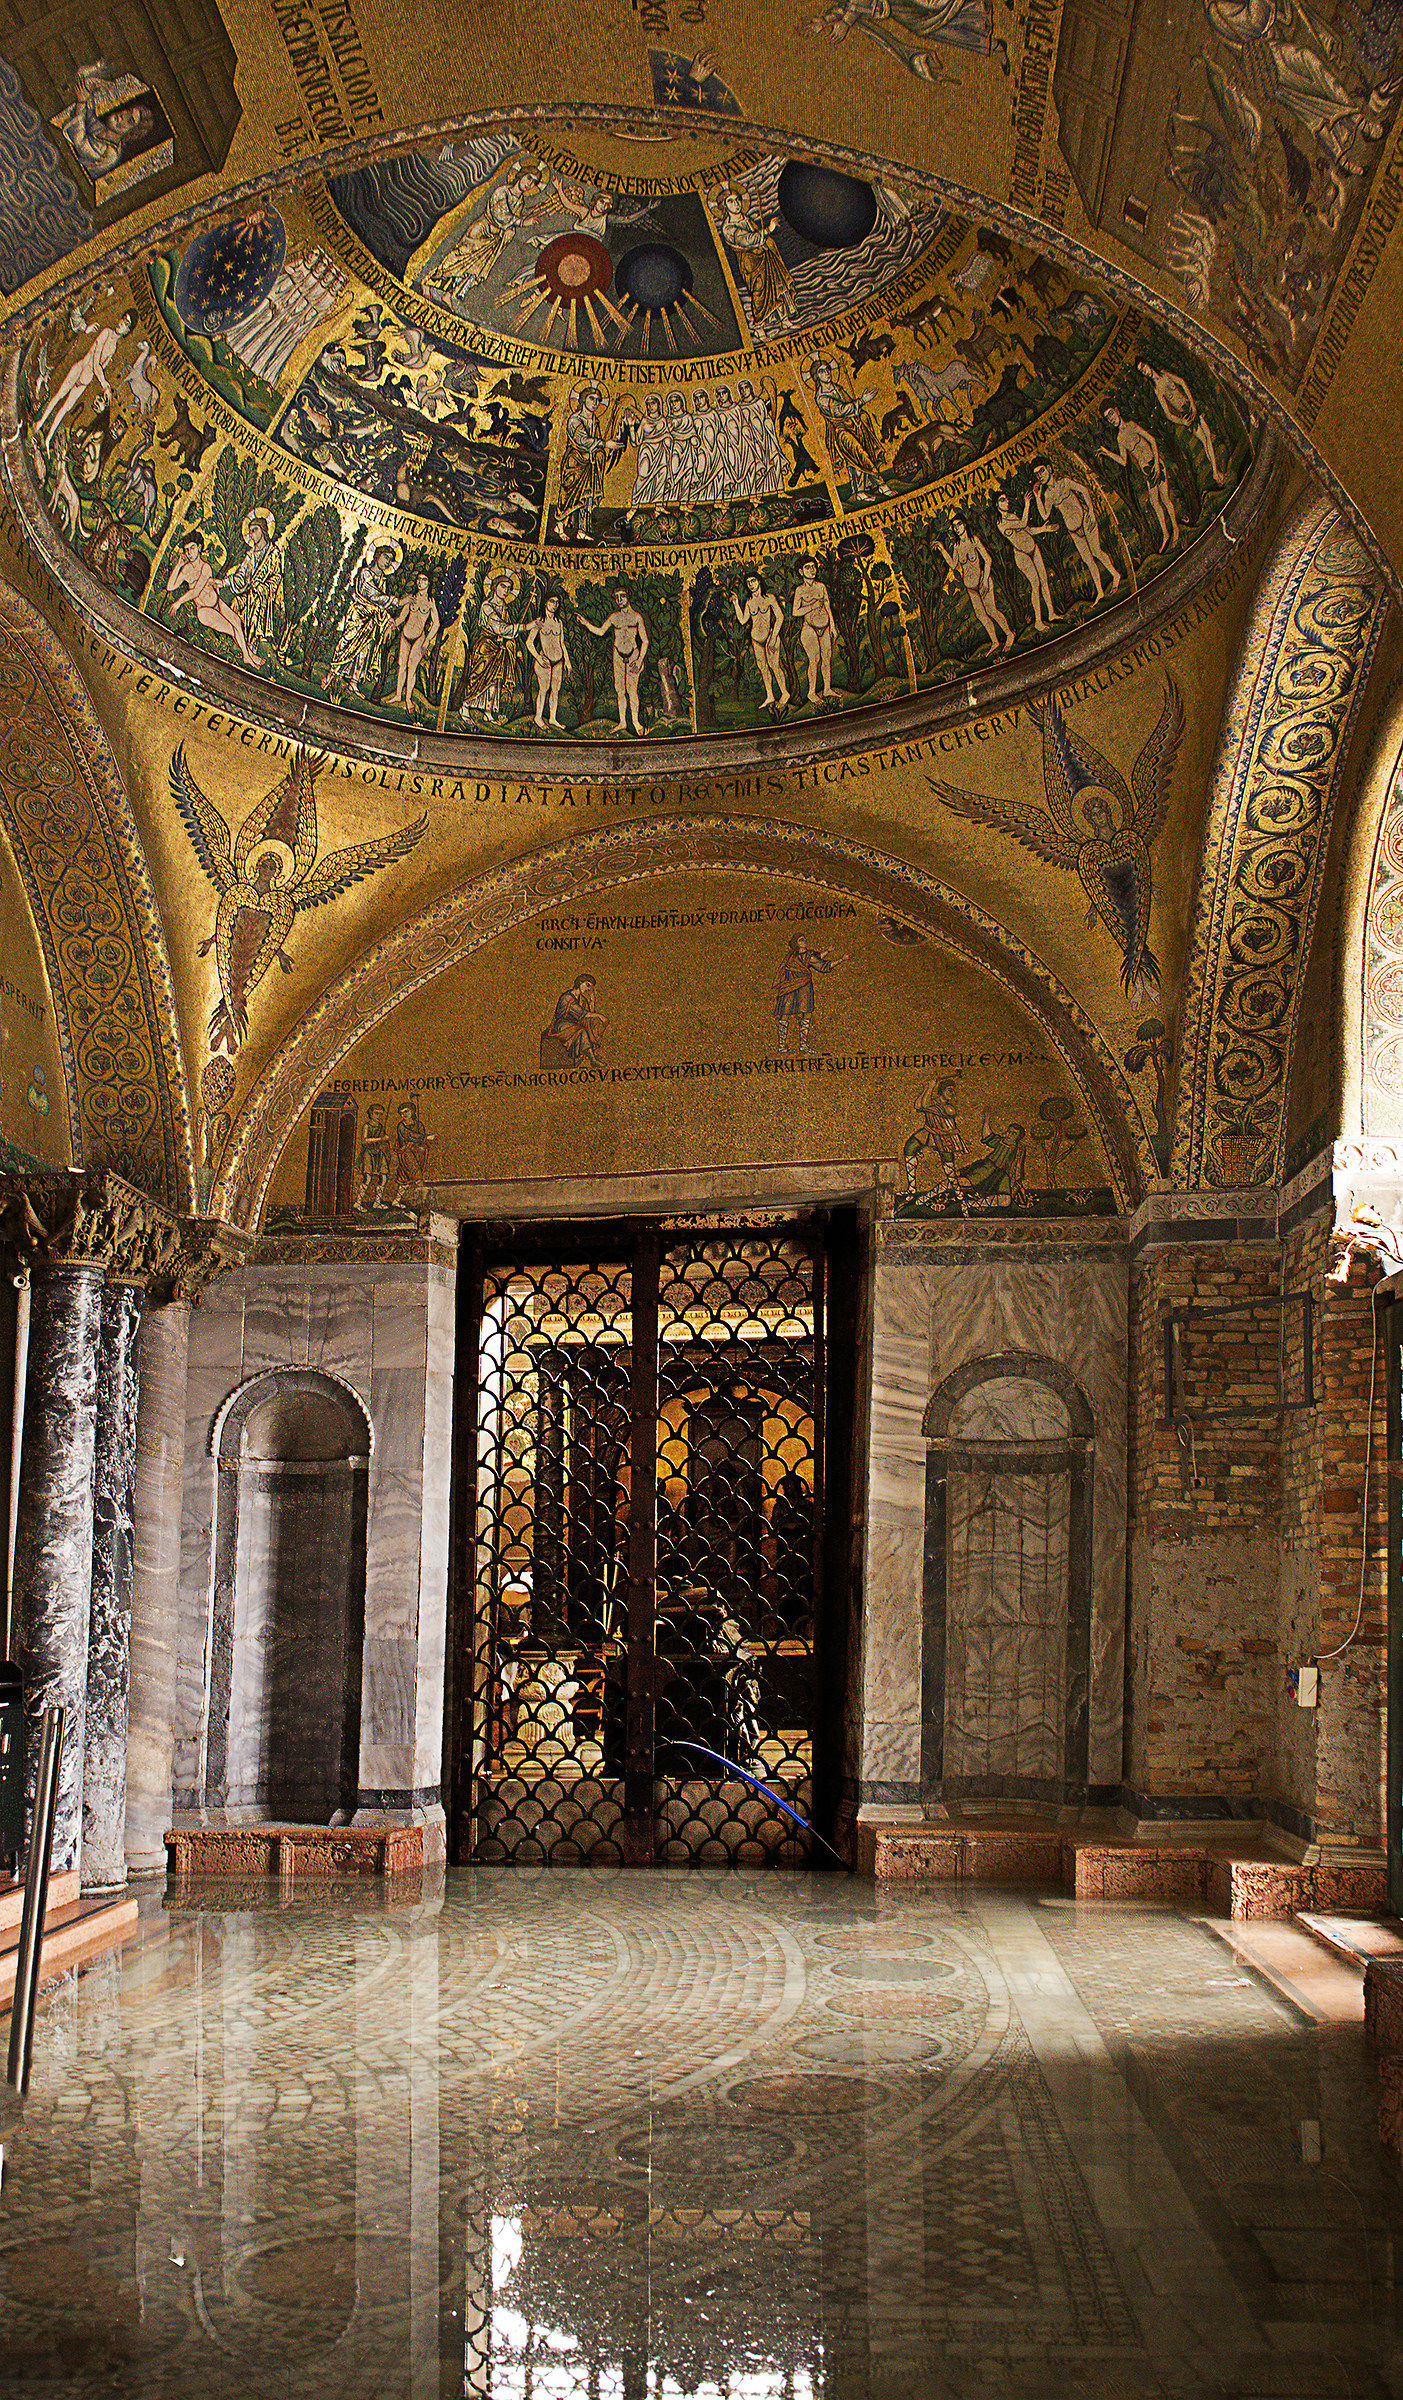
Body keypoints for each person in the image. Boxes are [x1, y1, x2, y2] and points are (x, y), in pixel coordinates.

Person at [35, 311, 133, 446]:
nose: (121, 323)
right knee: (59, 396)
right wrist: (105, 384)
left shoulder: (113, 348)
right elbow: (95, 361)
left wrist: (104, 380)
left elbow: (100, 368)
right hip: (80, 369)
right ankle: (39, 423)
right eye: (123, 319)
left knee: (66, 408)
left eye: (126, 324)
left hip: (85, 380)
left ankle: (48, 438)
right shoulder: (106, 332)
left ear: (127, 331)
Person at [1031, 461, 1121, 604]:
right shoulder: (1047, 494)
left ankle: (1115, 575)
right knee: (1087, 560)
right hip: (1073, 530)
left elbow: (1084, 490)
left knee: (1096, 551)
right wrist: (1037, 497)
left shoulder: (1064, 483)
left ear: (1049, 468)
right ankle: (1100, 592)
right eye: (1037, 474)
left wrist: (1091, 511)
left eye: (1041, 471)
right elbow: (1045, 515)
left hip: (1085, 521)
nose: (1040, 476)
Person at [165, 536, 261, 669]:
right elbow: (170, 586)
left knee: (237, 622)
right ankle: (248, 656)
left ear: (199, 548)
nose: (189, 553)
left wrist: (178, 602)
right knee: (231, 629)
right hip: (204, 610)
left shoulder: (206, 568)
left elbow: (196, 590)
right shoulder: (186, 570)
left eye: (192, 548)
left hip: (217, 603)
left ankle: (248, 655)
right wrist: (179, 565)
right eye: (186, 550)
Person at [1135, 360, 1229, 487]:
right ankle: (1215, 473)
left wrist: (1192, 402)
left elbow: (1182, 383)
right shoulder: (1157, 389)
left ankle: (1216, 472)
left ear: (1148, 364)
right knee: (1204, 439)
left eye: (1144, 367)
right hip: (1186, 415)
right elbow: (1168, 414)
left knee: (1208, 435)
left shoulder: (1164, 374)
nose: (1145, 371)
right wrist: (1182, 421)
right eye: (1142, 371)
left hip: (1190, 406)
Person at [322, 543, 397, 695]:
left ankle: (354, 682)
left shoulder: (383, 579)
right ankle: (331, 675)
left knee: (365, 649)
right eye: (386, 557)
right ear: (377, 555)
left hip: (372, 619)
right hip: (358, 614)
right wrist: (396, 601)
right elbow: (374, 596)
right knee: (347, 643)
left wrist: (386, 618)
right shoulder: (365, 573)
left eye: (390, 560)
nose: (388, 562)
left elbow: (380, 604)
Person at [1101, 407, 1179, 551]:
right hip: (1148, 472)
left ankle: (1175, 529)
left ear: (1118, 411)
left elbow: (1152, 440)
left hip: (1155, 465)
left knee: (1165, 498)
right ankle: (1166, 534)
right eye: (1107, 418)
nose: (1111, 418)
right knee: (1155, 503)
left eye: (1111, 413)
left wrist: (1156, 463)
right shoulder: (1120, 438)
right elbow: (1124, 461)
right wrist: (1108, 453)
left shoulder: (1131, 425)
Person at [718, 186, 793, 333]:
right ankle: (759, 327)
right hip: (750, 263)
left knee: (776, 286)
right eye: (731, 201)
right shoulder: (728, 227)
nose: (736, 203)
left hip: (764, 256)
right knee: (759, 292)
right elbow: (747, 240)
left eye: (738, 199)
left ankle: (784, 320)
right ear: (724, 206)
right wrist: (768, 230)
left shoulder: (746, 218)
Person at [577, 586, 650, 735]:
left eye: (622, 596)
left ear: (628, 596)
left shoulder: (636, 617)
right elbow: (601, 631)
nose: (619, 600)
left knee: (632, 690)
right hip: (617, 656)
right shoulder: (614, 617)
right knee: (620, 690)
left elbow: (645, 641)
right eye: (616, 597)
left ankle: (635, 722)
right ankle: (622, 722)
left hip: (633, 656)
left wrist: (640, 660)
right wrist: (586, 624)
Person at [936, 516, 1014, 651]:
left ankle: (1009, 634)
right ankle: (995, 642)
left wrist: (985, 582)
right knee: (980, 615)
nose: (957, 528)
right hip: (970, 587)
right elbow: (954, 565)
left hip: (982, 582)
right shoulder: (957, 546)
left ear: (965, 525)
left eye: (959, 524)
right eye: (954, 526)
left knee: (991, 610)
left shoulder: (974, 541)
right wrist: (942, 550)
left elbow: (988, 560)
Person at [459, 569, 520, 721]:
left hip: (499, 648)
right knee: (478, 676)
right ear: (494, 586)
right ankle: (465, 707)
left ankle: (488, 712)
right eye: (503, 586)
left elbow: (507, 630)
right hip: (485, 646)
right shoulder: (487, 606)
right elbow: (500, 628)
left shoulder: (505, 607)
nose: (506, 591)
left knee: (495, 679)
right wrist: (525, 626)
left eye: (508, 588)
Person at [903, 1076, 969, 1211]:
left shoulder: (949, 1108)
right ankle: (911, 1189)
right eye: (949, 1090)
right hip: (928, 1132)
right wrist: (926, 1089)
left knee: (949, 1167)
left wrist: (930, 1087)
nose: (952, 1093)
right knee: (910, 1147)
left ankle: (960, 1196)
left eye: (952, 1091)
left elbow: (925, 1106)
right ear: (942, 1091)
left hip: (944, 1136)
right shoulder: (933, 1102)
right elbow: (918, 1105)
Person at [996, 489, 1058, 631]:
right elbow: (1023, 524)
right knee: (1035, 584)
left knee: (1044, 579)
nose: (1006, 502)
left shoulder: (1012, 516)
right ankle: (1038, 622)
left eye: (1006, 499)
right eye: (1002, 500)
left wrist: (1044, 529)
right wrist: (1027, 503)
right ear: (996, 505)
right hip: (1022, 554)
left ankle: (1051, 613)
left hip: (1033, 548)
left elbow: (1028, 530)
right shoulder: (1001, 524)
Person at [224, 507, 282, 656]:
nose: (251, 535)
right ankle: (235, 642)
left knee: (256, 609)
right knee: (235, 603)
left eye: (254, 530)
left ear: (263, 530)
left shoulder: (273, 553)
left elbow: (276, 577)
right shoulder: (250, 554)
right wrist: (225, 582)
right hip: (248, 593)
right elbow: (241, 575)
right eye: (250, 531)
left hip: (262, 597)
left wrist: (263, 588)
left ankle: (251, 647)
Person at [732, 574, 789, 713]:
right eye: (748, 582)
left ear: (759, 582)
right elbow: (743, 620)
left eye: (753, 581)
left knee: (774, 665)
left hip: (770, 636)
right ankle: (770, 695)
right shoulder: (749, 602)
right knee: (763, 667)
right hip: (756, 640)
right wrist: (735, 604)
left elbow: (780, 617)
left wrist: (774, 636)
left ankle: (784, 693)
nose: (751, 584)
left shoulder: (769, 597)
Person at [773, 932, 837, 1053]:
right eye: (801, 940)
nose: (804, 941)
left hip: (799, 987)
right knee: (786, 1014)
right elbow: (821, 965)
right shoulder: (792, 956)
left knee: (806, 1013)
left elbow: (815, 960)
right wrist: (841, 960)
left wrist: (827, 951)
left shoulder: (804, 955)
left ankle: (802, 1045)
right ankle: (782, 1045)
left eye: (804, 939)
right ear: (796, 943)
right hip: (792, 986)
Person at [390, 572, 440, 711]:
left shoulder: (430, 602)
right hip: (405, 635)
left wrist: (427, 640)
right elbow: (402, 617)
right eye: (418, 579)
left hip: (419, 638)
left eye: (424, 580)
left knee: (412, 668)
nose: (420, 582)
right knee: (402, 666)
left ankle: (408, 699)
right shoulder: (411, 599)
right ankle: (398, 695)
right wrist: (393, 623)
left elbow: (436, 623)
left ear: (428, 583)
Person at [792, 557, 835, 703]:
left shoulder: (821, 586)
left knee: (827, 658)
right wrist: (812, 606)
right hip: (809, 628)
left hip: (825, 626)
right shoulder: (800, 590)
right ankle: (811, 692)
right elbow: (795, 612)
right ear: (800, 571)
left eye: (813, 567)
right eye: (808, 567)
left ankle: (827, 689)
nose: (812, 570)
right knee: (814, 659)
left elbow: (827, 605)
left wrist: (832, 626)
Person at [525, 593, 572, 728]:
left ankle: (552, 718)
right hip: (544, 661)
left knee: (555, 690)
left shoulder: (559, 622)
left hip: (558, 662)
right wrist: (538, 658)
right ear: (545, 603)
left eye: (557, 602)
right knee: (543, 689)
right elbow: (529, 642)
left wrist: (567, 661)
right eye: (552, 601)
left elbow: (562, 643)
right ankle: (538, 717)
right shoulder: (539, 622)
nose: (555, 605)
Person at [547, 974, 608, 1065]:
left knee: (594, 1024)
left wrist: (592, 1001)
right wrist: (600, 1016)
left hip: (575, 1023)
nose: (588, 989)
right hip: (561, 1024)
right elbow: (582, 1013)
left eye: (590, 987)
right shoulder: (567, 997)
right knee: (582, 1031)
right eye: (587, 985)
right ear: (580, 982)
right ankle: (592, 1059)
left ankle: (592, 1052)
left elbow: (589, 1013)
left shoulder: (582, 999)